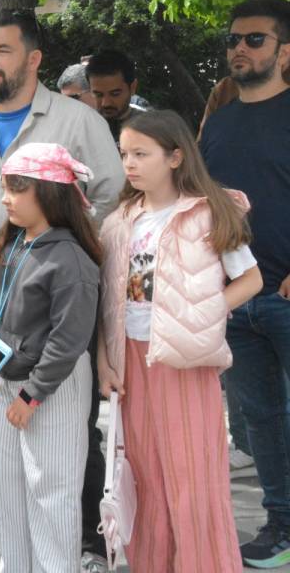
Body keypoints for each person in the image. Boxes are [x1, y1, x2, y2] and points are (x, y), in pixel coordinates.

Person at [0, 8, 122, 562]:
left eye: (2, 50)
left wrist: (63, 245)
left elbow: (109, 198)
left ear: (33, 57)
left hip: (53, 333)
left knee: (57, 475)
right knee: (10, 483)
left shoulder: (78, 121)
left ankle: (79, 553)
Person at [98, 111, 260, 572]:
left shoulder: (207, 211)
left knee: (192, 480)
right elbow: (107, 301)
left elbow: (249, 278)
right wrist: (104, 362)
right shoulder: (120, 219)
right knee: (146, 479)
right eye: (124, 153)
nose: (129, 163)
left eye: (140, 154)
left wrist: (203, 314)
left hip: (186, 361)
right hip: (132, 360)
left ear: (175, 156)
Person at [0, 143, 102, 573]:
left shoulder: (71, 260)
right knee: (8, 487)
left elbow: (69, 340)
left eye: (17, 189)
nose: (6, 199)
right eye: (5, 188)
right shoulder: (8, 243)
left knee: (51, 489)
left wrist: (33, 394)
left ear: (50, 193)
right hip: (6, 382)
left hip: (52, 388)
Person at [200, 0, 290, 567]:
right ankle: (281, 527)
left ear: (286, 50)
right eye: (233, 39)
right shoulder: (220, 122)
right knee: (260, 422)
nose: (239, 48)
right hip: (235, 299)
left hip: (285, 294)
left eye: (253, 39)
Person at [86, 49, 146, 142]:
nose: (106, 103)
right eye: (98, 95)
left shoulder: (151, 128)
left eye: (115, 94)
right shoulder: (83, 127)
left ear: (133, 87)